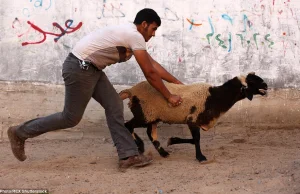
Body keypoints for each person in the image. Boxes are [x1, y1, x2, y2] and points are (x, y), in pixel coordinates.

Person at [7, 8, 183, 170]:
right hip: (80, 69)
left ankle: (128, 156)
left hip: (91, 69)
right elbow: (150, 73)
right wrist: (169, 96)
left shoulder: (131, 35)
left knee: (114, 105)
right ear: (144, 24)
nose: (153, 34)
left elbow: (152, 64)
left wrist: (176, 83)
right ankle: (19, 132)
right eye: (153, 29)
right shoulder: (134, 35)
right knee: (70, 118)